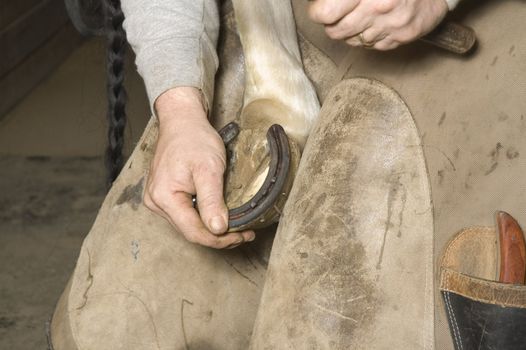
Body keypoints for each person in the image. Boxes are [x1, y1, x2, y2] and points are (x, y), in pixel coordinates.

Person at [49, 0, 526, 349]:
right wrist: (178, 106)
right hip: (273, 29)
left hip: (470, 20)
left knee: (337, 326)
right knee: (111, 325)